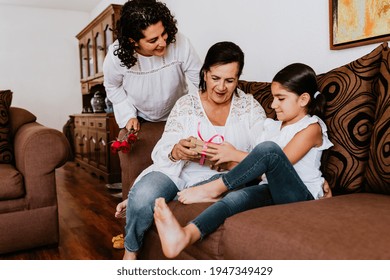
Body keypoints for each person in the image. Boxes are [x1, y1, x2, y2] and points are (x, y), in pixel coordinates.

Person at [153, 62, 334, 259]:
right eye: (273, 98)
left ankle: (215, 188)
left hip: (302, 197)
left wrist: (234, 154)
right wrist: (225, 158)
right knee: (235, 199)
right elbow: (258, 164)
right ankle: (185, 236)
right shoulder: (273, 127)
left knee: (269, 151)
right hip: (272, 189)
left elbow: (279, 160)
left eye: (281, 98)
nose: (273, 105)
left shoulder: (311, 128)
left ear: (303, 99)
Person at [115, 41, 267, 259]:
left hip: (220, 179)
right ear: (204, 74)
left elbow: (265, 154)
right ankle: (130, 252)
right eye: (215, 78)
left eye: (229, 80)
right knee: (144, 196)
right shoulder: (187, 104)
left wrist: (231, 158)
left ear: (237, 80)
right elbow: (164, 148)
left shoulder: (249, 108)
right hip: (177, 171)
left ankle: (148, 199)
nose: (221, 87)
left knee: (237, 184)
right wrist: (176, 150)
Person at [103, 0, 201, 132]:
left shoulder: (181, 42)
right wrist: (128, 116)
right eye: (153, 40)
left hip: (179, 113)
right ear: (133, 42)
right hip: (141, 118)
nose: (163, 43)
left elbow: (201, 80)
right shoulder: (116, 56)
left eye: (163, 33)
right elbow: (112, 86)